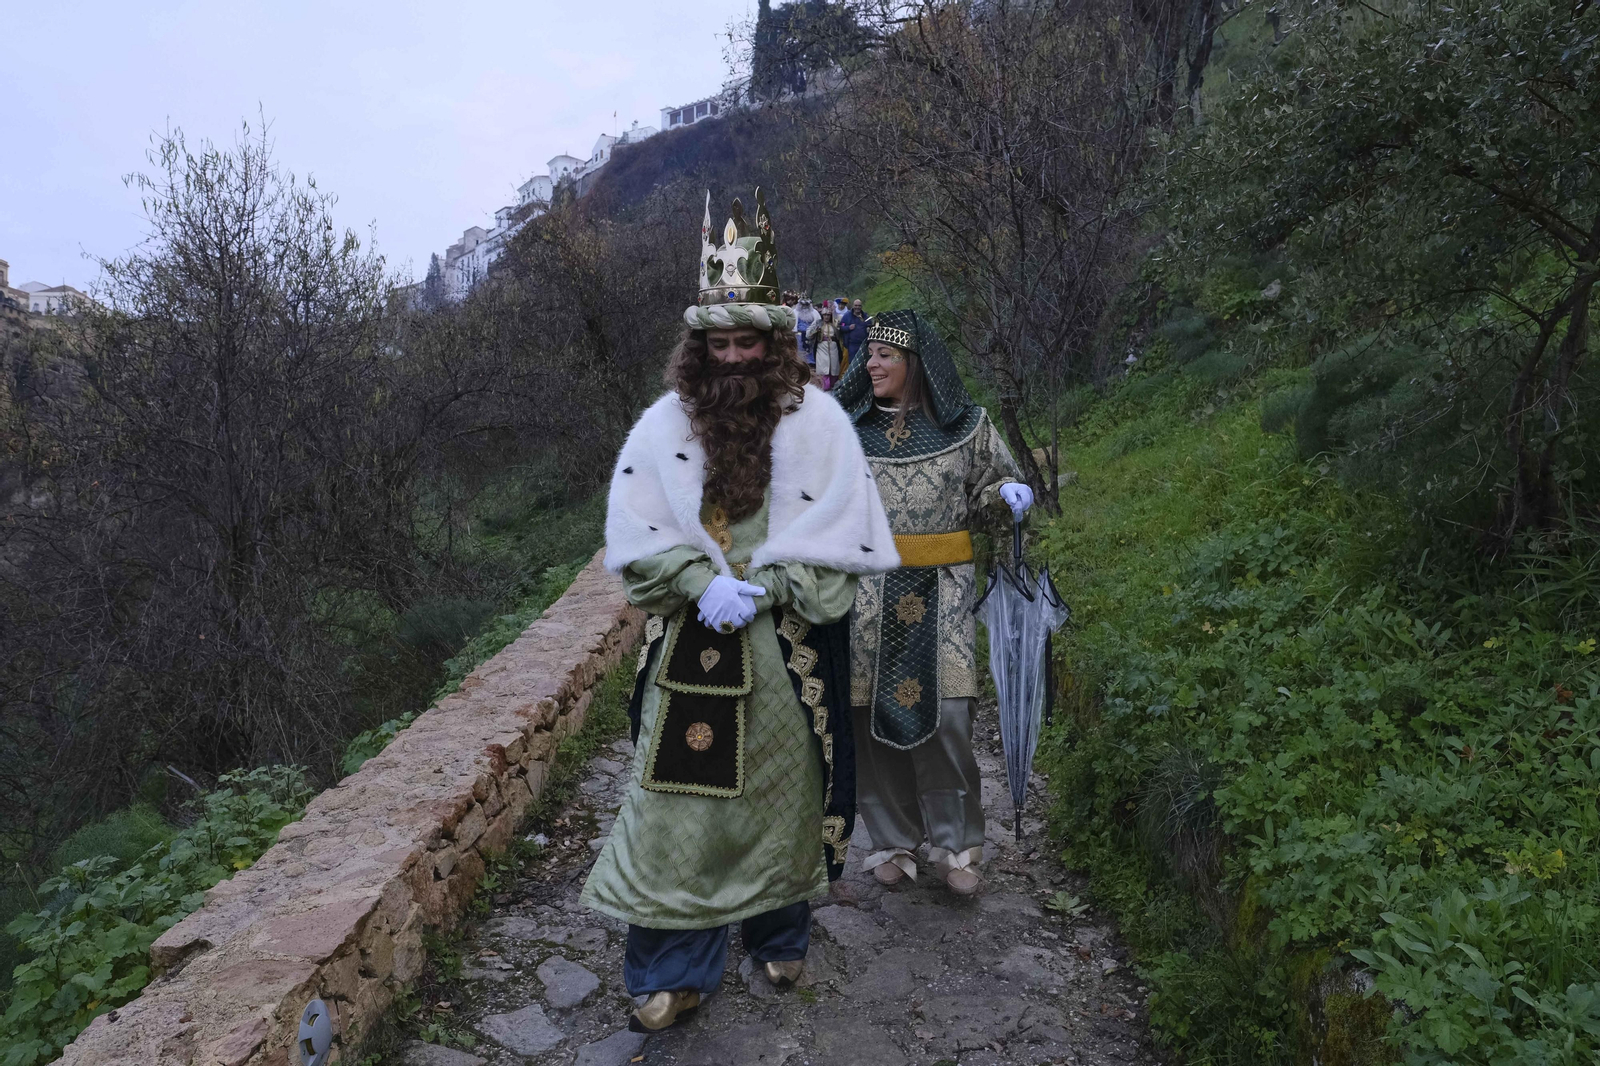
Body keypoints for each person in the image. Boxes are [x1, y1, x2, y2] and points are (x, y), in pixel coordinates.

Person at [582, 189, 898, 1033]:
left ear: (772, 344)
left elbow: (841, 525)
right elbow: (640, 528)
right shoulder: (662, 425)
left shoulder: (822, 421)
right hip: (691, 645)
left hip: (782, 648)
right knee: (672, 809)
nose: (730, 360)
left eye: (744, 343)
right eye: (716, 344)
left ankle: (775, 930)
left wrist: (773, 579)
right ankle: (671, 967)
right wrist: (700, 579)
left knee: (783, 795)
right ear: (699, 348)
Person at [831, 309, 1034, 897]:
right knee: (868, 718)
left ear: (913, 363)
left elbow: (989, 483)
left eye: (884, 355)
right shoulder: (845, 431)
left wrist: (1007, 494)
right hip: (867, 592)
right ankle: (893, 841)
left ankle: (957, 844)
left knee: (947, 717)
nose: (870, 364)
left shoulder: (966, 426)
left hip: (942, 590)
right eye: (867, 354)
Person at [808, 303, 844, 389]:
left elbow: (840, 334)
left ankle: (833, 385)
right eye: (825, 315)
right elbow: (808, 334)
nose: (826, 317)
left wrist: (839, 327)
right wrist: (815, 331)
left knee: (834, 368)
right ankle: (824, 386)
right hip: (821, 347)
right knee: (823, 367)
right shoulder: (818, 323)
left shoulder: (835, 323)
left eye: (828, 315)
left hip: (833, 347)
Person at [840, 298, 869, 367]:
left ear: (861, 306)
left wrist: (869, 329)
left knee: (862, 363)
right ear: (853, 306)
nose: (857, 307)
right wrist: (848, 328)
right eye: (856, 305)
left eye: (859, 306)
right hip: (851, 344)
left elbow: (870, 326)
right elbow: (841, 327)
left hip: (863, 345)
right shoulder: (847, 316)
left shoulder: (865, 316)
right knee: (852, 363)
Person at [794, 296, 819, 366]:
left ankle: (811, 364)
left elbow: (818, 323)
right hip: (799, 336)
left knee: (810, 351)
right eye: (803, 305)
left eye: (806, 305)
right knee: (800, 352)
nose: (804, 307)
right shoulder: (795, 312)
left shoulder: (815, 313)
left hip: (811, 335)